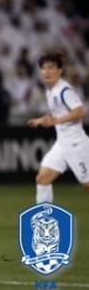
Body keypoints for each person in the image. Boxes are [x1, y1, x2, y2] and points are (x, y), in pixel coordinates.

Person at [27, 53, 89, 203]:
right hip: (62, 144)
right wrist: (42, 120)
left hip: (76, 144)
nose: (46, 71)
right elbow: (57, 112)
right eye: (43, 68)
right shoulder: (50, 90)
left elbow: (80, 111)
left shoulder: (64, 90)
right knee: (43, 178)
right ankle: (44, 221)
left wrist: (56, 121)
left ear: (60, 70)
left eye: (51, 68)